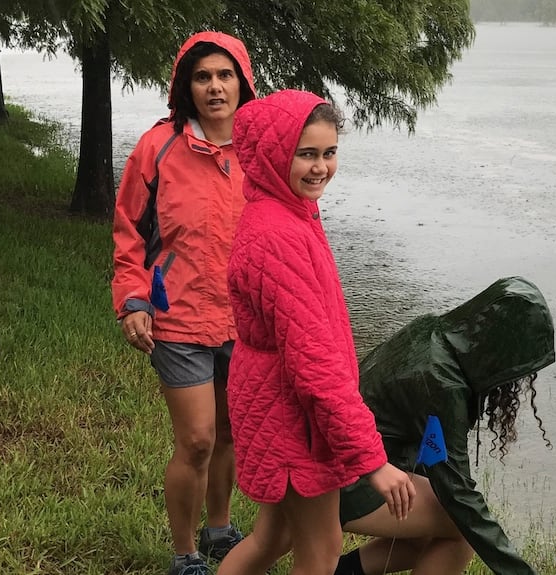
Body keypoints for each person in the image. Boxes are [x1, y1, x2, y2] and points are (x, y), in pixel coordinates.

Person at [217, 89, 416, 575]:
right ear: (273, 154)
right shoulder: (278, 234)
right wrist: (373, 461)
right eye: (306, 154)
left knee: (273, 536)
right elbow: (314, 365)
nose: (320, 167)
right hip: (288, 412)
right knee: (322, 545)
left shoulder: (289, 211)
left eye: (330, 153)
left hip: (275, 401)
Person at [111, 31, 256, 575]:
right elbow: (129, 231)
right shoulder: (159, 146)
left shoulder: (263, 148)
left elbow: (292, 224)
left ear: (243, 82)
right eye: (203, 76)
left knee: (230, 433)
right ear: (185, 85)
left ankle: (219, 529)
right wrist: (133, 300)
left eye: (225, 75)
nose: (215, 87)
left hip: (245, 321)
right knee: (196, 440)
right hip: (178, 316)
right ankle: (185, 553)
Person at [335, 276, 556, 575]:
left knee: (430, 530)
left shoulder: (430, 333)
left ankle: (340, 571)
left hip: (342, 459)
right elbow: (458, 495)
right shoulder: (442, 382)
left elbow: (432, 458)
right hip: (350, 477)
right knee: (460, 528)